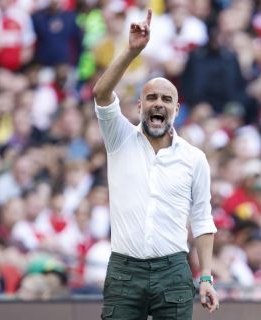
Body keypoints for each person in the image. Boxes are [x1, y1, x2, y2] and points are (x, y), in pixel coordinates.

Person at [92, 9, 219, 319]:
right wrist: (132, 51)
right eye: (151, 98)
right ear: (140, 106)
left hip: (173, 269)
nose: (158, 103)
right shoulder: (119, 137)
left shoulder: (194, 158)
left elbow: (202, 220)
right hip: (124, 269)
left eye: (166, 99)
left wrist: (205, 277)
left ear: (176, 108)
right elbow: (101, 93)